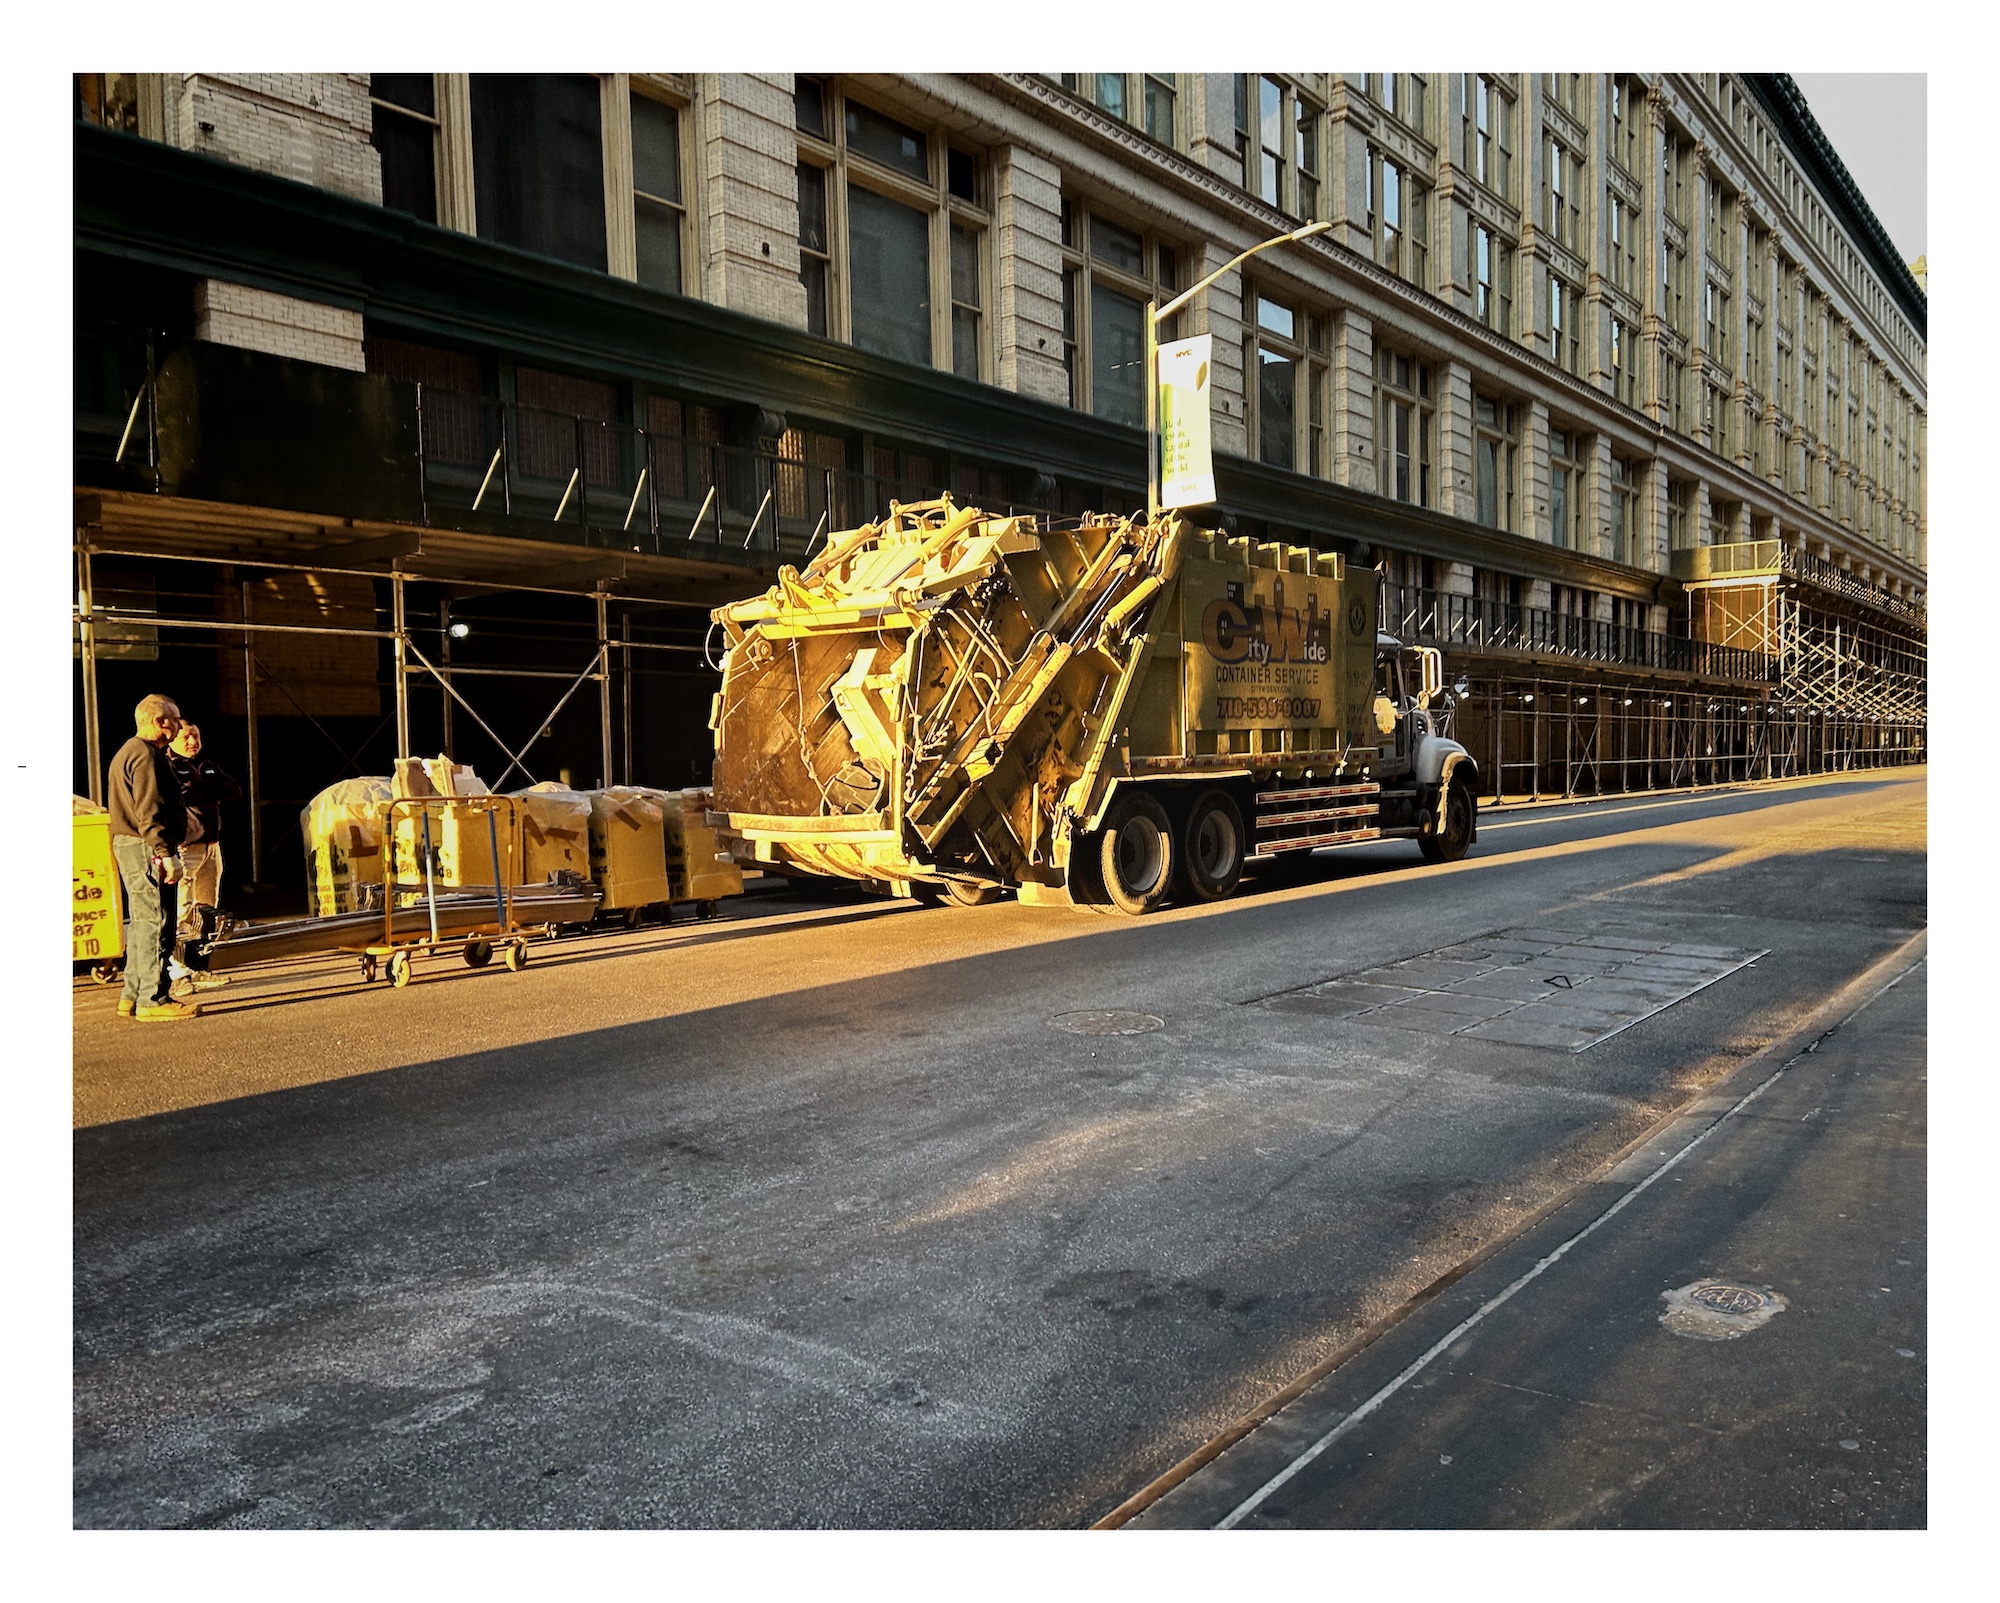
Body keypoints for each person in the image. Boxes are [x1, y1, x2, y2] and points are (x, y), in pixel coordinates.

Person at [107, 693, 201, 1021]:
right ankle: (153, 999)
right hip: (146, 847)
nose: (178, 725)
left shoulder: (130, 751)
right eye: (175, 719)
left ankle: (132, 994)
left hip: (133, 844)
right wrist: (166, 852)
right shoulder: (145, 756)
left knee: (142, 922)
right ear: (160, 722)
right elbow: (149, 810)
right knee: (157, 922)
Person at [166, 721, 240, 995]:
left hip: (211, 846)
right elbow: (181, 797)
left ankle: (199, 966)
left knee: (206, 910)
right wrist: (207, 789)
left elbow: (233, 790)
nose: (192, 741)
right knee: (181, 911)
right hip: (185, 849)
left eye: (196, 736)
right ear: (172, 739)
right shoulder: (169, 766)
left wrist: (202, 788)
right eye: (186, 737)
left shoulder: (208, 764)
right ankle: (178, 974)